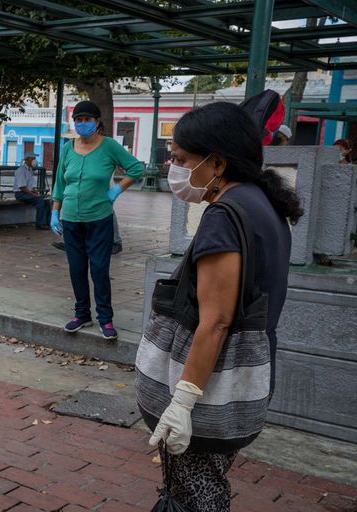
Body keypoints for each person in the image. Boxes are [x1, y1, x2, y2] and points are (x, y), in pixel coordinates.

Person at [138, 102, 303, 511]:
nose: (172, 168)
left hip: (212, 385)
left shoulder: (225, 217)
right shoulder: (261, 203)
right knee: (199, 483)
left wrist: (183, 402)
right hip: (244, 377)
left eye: (180, 159)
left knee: (196, 491)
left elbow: (215, 322)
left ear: (216, 162)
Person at [51, 100, 144, 339]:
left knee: (100, 269)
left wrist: (115, 190)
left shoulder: (109, 146)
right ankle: (81, 314)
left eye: (87, 120)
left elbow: (136, 169)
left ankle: (105, 318)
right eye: (78, 120)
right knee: (76, 269)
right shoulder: (68, 148)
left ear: (97, 121)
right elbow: (60, 182)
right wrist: (54, 211)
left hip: (99, 218)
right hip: (70, 218)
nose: (82, 124)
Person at [13, 152, 51, 229]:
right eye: (33, 159)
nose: (35, 160)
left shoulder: (30, 170)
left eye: (35, 159)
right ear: (27, 160)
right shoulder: (21, 170)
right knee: (40, 200)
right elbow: (22, 188)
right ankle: (40, 224)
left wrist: (36, 192)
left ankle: (47, 223)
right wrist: (35, 195)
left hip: (27, 193)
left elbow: (31, 186)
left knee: (46, 200)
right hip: (20, 193)